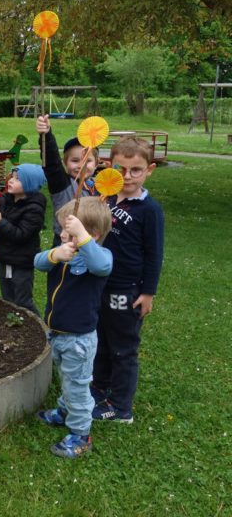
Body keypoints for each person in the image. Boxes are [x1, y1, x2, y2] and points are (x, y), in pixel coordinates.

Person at [91, 136, 164, 423]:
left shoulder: (149, 210)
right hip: (101, 285)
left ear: (150, 170)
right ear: (110, 167)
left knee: (123, 346)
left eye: (136, 170)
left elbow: (154, 254)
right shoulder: (105, 198)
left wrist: (148, 293)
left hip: (127, 289)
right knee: (101, 339)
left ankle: (120, 407)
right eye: (121, 169)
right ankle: (100, 387)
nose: (128, 176)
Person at [35, 198, 113, 458]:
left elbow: (102, 266)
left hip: (79, 339)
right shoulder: (62, 252)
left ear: (92, 235)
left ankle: (81, 434)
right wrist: (55, 254)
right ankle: (64, 411)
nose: (62, 234)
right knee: (67, 380)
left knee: (77, 387)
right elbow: (38, 263)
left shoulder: (98, 258)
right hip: (58, 334)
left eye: (69, 230)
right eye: (62, 229)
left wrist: (81, 239)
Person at [0, 164, 47, 314]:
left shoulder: (34, 208)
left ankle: (39, 328)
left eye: (18, 179)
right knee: (7, 298)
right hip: (4, 258)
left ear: (29, 184)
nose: (11, 180)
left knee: (22, 301)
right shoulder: (6, 199)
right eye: (12, 176)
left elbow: (21, 235)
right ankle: (15, 325)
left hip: (21, 262)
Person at [36, 114, 99, 246]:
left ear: (96, 164)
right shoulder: (61, 184)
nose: (81, 165)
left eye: (87, 161)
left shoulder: (100, 188)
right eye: (75, 161)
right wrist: (47, 136)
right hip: (65, 243)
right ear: (65, 163)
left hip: (92, 244)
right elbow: (52, 162)